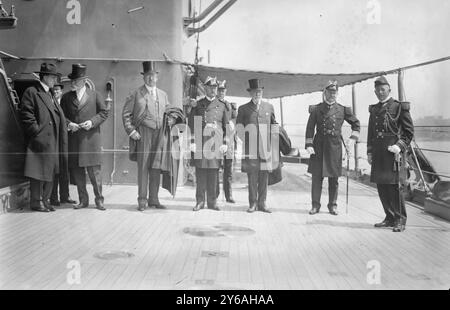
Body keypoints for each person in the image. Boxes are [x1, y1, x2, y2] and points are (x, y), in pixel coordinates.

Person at [122, 61, 177, 211]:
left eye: (153, 76)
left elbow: (169, 111)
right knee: (144, 168)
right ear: (143, 77)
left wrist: (171, 119)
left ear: (157, 77)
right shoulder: (136, 93)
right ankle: (142, 200)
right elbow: (126, 114)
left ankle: (154, 199)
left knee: (156, 168)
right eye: (147, 76)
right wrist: (132, 131)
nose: (151, 79)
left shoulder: (163, 95)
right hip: (144, 134)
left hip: (160, 135)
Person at [305, 80, 360, 216]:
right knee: (317, 178)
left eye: (334, 92)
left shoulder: (342, 109)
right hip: (318, 147)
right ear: (325, 93)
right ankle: (315, 205)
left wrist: (352, 139)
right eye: (329, 92)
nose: (332, 95)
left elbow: (356, 124)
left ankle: (333, 205)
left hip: (334, 147)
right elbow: (310, 128)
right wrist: (309, 145)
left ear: (337, 93)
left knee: (334, 179)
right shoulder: (317, 109)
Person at [19, 63, 68, 212]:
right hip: (41, 141)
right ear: (45, 77)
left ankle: (45, 201)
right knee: (38, 172)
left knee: (50, 171)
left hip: (53, 140)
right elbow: (27, 115)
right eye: (53, 77)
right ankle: (37, 202)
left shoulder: (50, 94)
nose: (55, 80)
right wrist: (37, 133)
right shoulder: (32, 91)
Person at [367, 76, 414, 232]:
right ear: (375, 91)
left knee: (395, 187)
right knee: (382, 186)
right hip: (379, 153)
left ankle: (400, 219)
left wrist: (399, 146)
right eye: (378, 90)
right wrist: (369, 152)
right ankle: (389, 217)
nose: (380, 92)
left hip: (393, 153)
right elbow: (371, 133)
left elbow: (408, 132)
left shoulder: (399, 107)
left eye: (383, 89)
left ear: (389, 90)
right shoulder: (374, 109)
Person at [60, 64, 109, 211]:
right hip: (74, 140)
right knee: (78, 173)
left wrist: (92, 122)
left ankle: (99, 200)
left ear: (84, 80)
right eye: (72, 80)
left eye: (76, 80)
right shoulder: (66, 97)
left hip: (91, 140)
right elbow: (61, 116)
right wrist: (69, 124)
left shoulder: (95, 95)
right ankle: (83, 200)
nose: (73, 83)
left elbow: (104, 113)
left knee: (95, 173)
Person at [236, 78, 278, 213]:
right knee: (252, 177)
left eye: (259, 91)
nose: (257, 94)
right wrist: (248, 140)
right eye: (254, 92)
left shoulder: (269, 107)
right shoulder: (243, 109)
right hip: (251, 149)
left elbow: (274, 125)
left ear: (262, 92)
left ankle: (262, 203)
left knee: (264, 177)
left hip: (265, 149)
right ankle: (252, 203)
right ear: (250, 93)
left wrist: (274, 142)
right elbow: (239, 128)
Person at [189, 76, 229, 211]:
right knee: (200, 172)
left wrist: (225, 143)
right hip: (201, 143)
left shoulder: (222, 105)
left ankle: (212, 202)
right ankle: (200, 201)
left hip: (216, 143)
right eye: (210, 88)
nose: (213, 90)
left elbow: (226, 127)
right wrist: (192, 142)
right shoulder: (198, 105)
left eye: (215, 88)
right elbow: (192, 124)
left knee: (213, 173)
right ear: (205, 88)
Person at [50, 76, 76, 206]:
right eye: (54, 90)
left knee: (65, 168)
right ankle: (54, 198)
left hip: (66, 139)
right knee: (55, 169)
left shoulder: (65, 101)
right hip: (54, 139)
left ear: (61, 91)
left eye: (58, 90)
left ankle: (65, 196)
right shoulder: (49, 101)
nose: (56, 92)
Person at [216, 80, 237, 203]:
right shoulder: (213, 105)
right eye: (219, 90)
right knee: (215, 169)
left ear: (226, 91)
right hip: (216, 141)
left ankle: (228, 195)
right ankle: (215, 194)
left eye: (223, 90)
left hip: (228, 142)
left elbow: (235, 120)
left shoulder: (230, 106)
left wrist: (233, 125)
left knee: (228, 170)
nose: (221, 92)